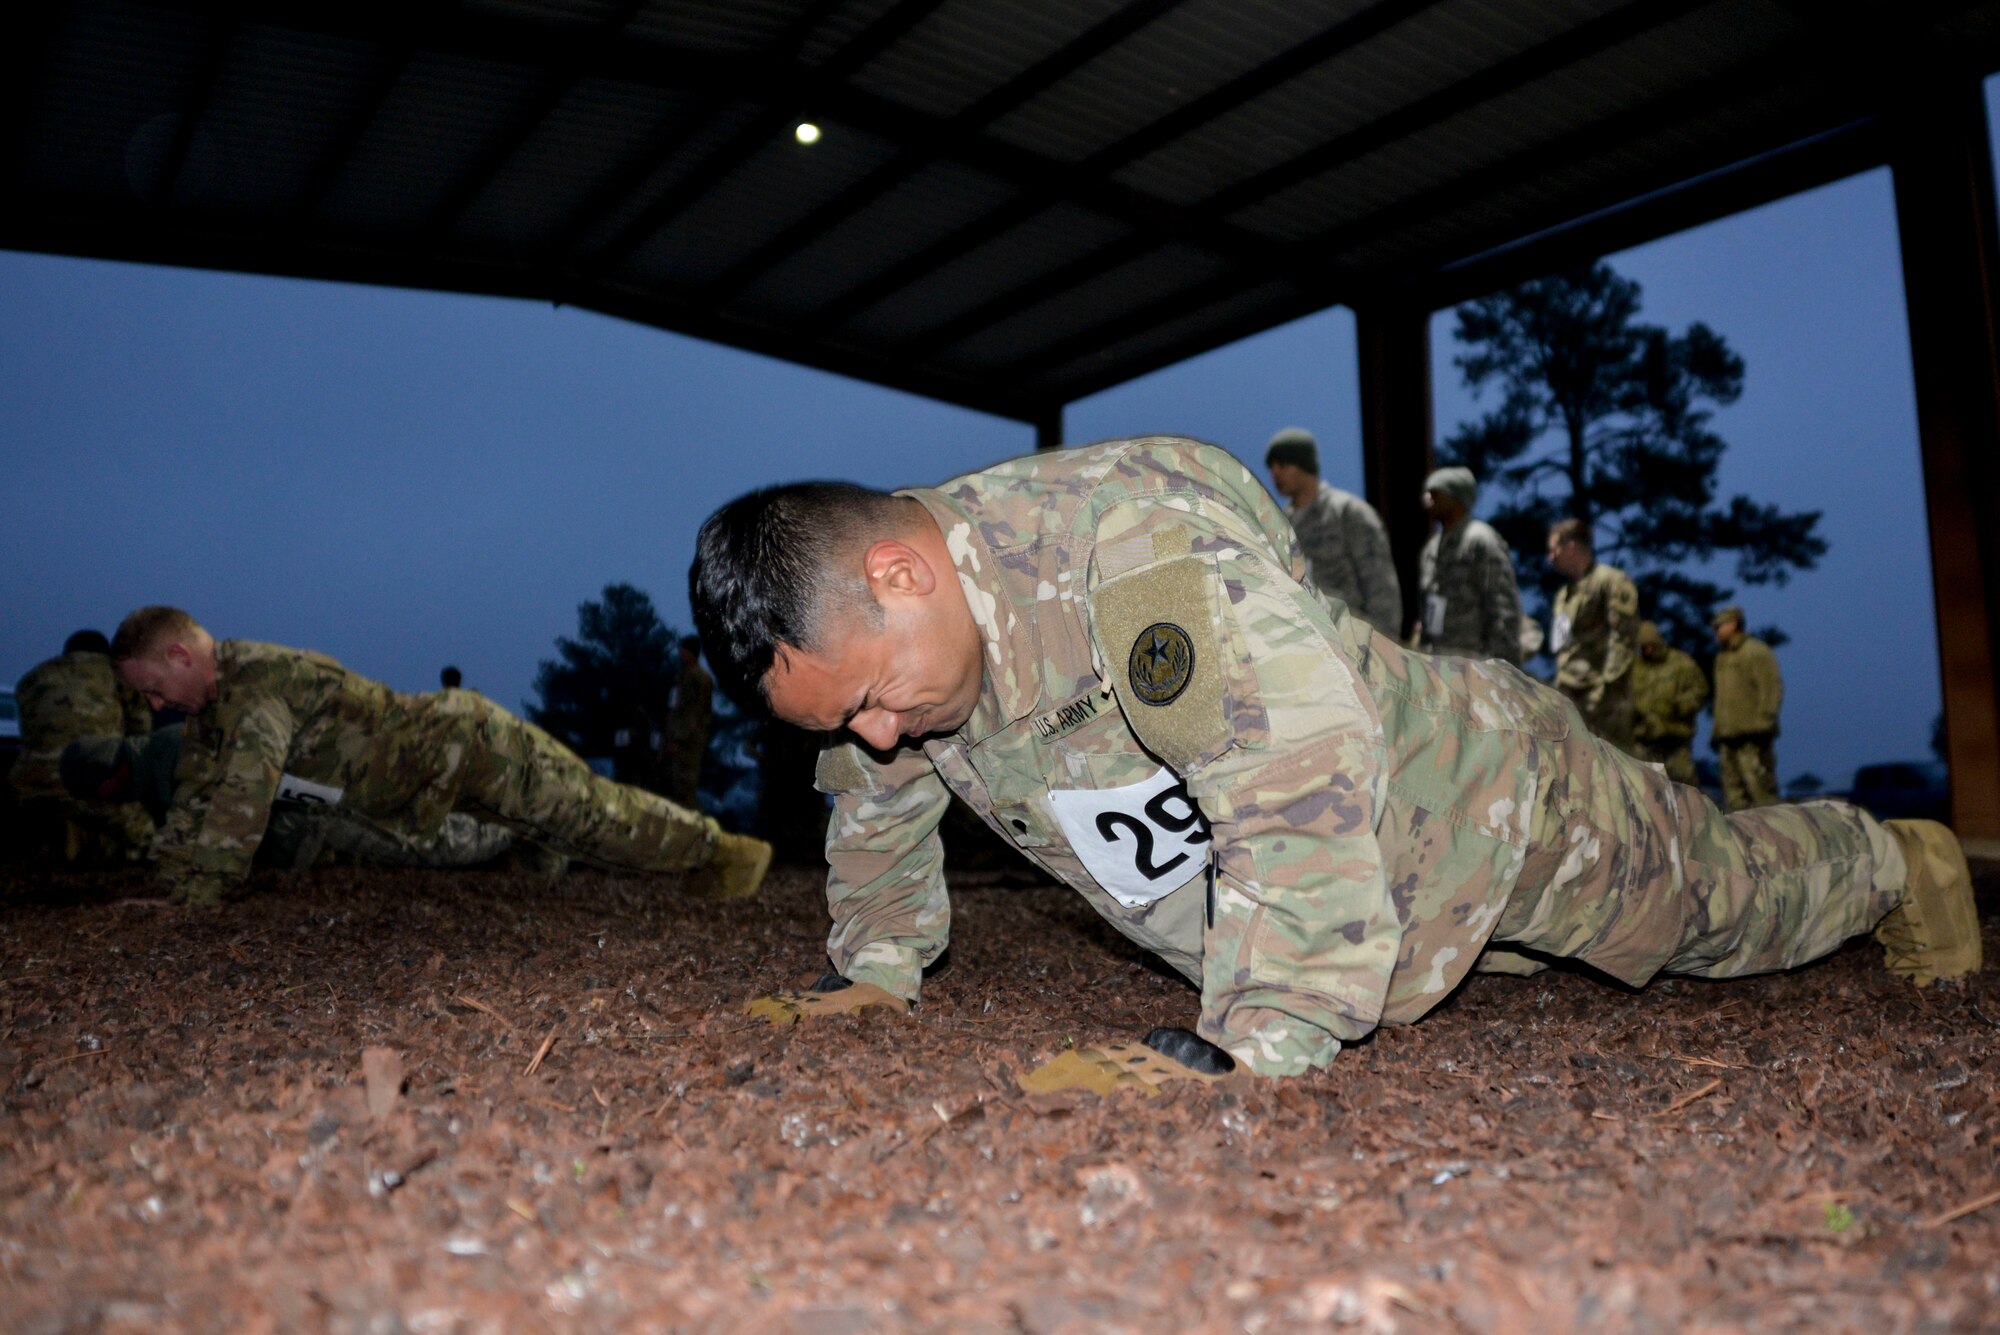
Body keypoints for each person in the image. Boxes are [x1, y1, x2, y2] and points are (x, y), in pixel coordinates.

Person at [689, 436, 1979, 1081]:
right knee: (1526, 980)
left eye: (867, 697)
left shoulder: (1127, 552)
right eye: (837, 723)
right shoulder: (895, 671)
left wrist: (1256, 1041)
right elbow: (873, 795)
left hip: (1486, 809)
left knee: (1720, 913)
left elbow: (1282, 770)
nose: (875, 736)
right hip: (1375, 901)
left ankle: (1885, 859)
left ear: (899, 573)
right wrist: (874, 965)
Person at [108, 608, 772, 906]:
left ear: (179, 656)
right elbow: (198, 790)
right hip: (436, 783)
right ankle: (705, 853)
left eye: (156, 688)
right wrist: (170, 879)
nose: (160, 705)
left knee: (600, 819)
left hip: (471, 748)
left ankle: (725, 851)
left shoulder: (256, 681)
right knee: (587, 834)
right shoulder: (210, 712)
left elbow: (241, 797)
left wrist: (195, 896)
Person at [59, 727, 516, 870]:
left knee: (438, 843)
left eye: (91, 791)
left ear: (108, 773)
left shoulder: (166, 755)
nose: (96, 802)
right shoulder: (150, 773)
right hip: (303, 817)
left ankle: (524, 827)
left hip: (315, 808)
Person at [9, 629, 156, 860]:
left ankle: (51, 839)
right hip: (92, 790)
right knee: (150, 841)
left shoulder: (32, 678)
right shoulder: (120, 676)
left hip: (28, 789)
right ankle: (86, 844)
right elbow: (141, 740)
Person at [1262, 427, 1401, 635]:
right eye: (1271, 467)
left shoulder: (1348, 513)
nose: (1275, 473)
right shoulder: (1279, 524)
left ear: (1305, 464)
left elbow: (1382, 591)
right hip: (1304, 644)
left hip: (1353, 644)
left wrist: (1383, 651)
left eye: (1282, 464)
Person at [1413, 467, 1524, 663]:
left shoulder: (1480, 540)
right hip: (1438, 665)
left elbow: (1502, 606)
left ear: (1455, 497)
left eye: (1435, 493)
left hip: (1475, 667)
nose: (1427, 499)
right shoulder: (1431, 549)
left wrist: (1501, 668)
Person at [1547, 519, 1639, 751]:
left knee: (1613, 773)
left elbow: (1624, 639)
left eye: (1554, 549)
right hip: (1570, 698)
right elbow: (1563, 646)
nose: (1551, 557)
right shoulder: (1564, 595)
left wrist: (1605, 690)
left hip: (1603, 704)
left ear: (1572, 547)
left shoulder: (1611, 582)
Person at [1711, 605, 1784, 812]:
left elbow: (1771, 687)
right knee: (1734, 797)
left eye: (1720, 625)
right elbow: (1722, 698)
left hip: (1752, 737)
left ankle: (1775, 839)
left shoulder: (1756, 651)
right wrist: (1718, 729)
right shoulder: (1722, 657)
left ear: (1734, 624)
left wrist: (1764, 722)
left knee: (1761, 793)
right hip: (1728, 736)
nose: (1716, 631)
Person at [1630, 621, 1708, 785]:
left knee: (1685, 788)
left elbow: (1700, 689)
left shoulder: (1681, 663)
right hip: (1645, 739)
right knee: (1647, 787)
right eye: (1643, 647)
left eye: (1651, 645)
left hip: (1675, 738)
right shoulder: (1635, 668)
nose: (1648, 650)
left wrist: (1681, 706)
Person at [662, 636, 715, 808]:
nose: (680, 654)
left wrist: (680, 739)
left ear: (692, 653)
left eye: (683, 650)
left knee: (686, 786)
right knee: (674, 785)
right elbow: (674, 709)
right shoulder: (681, 677)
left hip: (689, 741)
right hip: (676, 738)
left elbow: (696, 712)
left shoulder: (700, 679)